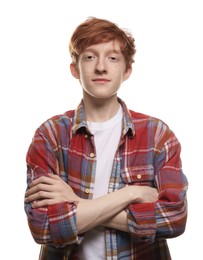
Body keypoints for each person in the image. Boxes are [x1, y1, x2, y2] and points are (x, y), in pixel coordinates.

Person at [24, 17, 188, 260]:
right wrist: (131, 193)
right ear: (74, 68)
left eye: (112, 58)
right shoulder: (50, 135)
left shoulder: (157, 135)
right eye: (90, 57)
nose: (101, 67)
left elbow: (174, 219)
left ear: (127, 70)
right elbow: (42, 226)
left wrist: (76, 202)